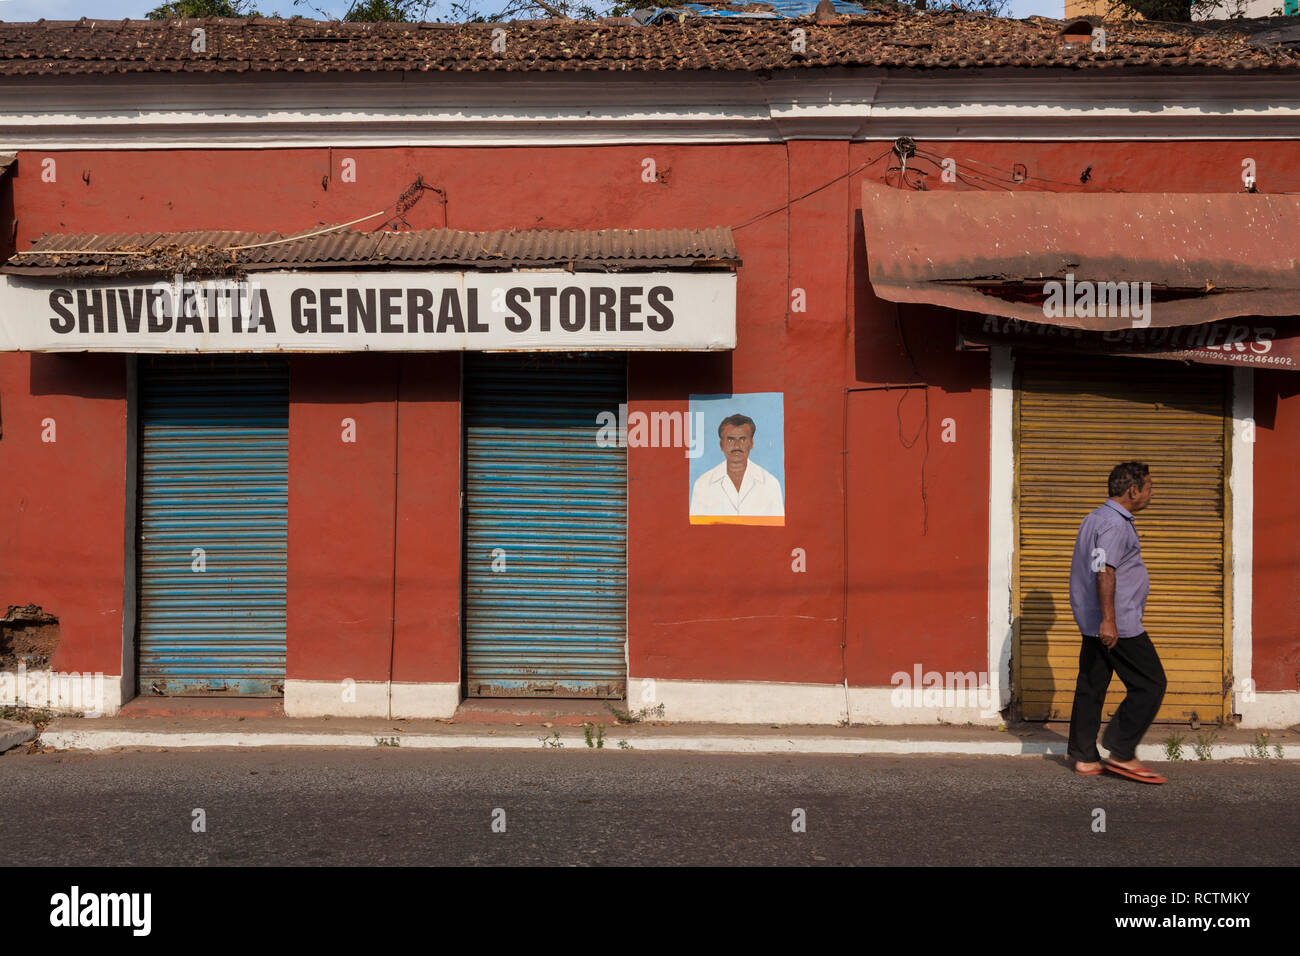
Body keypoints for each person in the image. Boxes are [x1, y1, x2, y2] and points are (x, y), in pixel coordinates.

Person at [1067, 461, 1168, 784]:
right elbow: (1104, 571)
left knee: (1092, 685)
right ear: (1132, 490)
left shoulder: (1095, 518)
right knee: (1151, 683)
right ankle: (1122, 751)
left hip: (1093, 619)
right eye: (1149, 488)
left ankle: (1084, 757)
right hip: (1118, 623)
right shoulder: (1115, 525)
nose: (1151, 494)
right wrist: (1110, 620)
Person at [689, 414, 784, 519]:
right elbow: (695, 532)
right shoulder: (703, 484)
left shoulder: (770, 484)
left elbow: (778, 532)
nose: (737, 446)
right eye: (730, 440)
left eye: (743, 439)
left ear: (751, 443)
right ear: (721, 445)